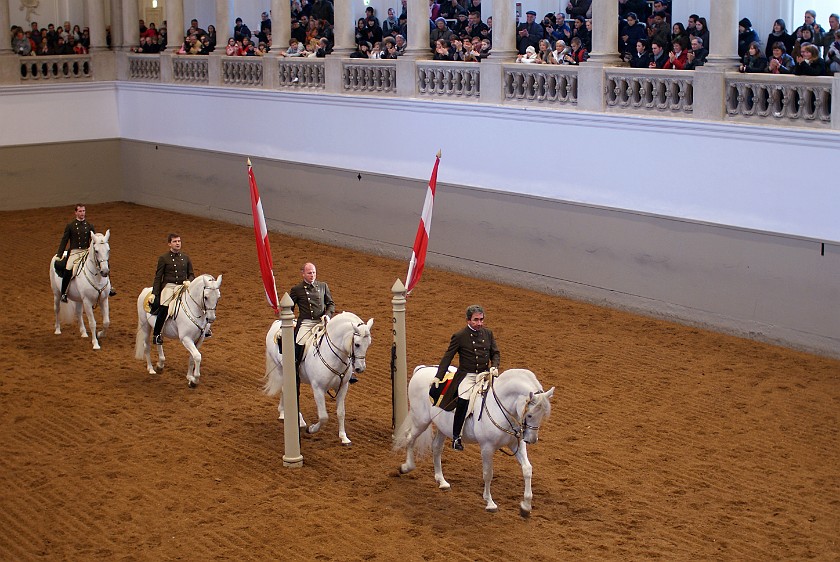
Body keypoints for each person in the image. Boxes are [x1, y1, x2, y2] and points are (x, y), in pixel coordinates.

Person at [432, 305, 500, 451]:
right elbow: (448, 356)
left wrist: (494, 366)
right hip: (467, 376)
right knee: (464, 400)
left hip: (484, 375)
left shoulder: (488, 333)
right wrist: (439, 376)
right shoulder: (460, 336)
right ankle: (456, 437)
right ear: (468, 320)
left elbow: (495, 353)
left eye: (481, 319)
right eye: (476, 320)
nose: (479, 323)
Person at [287, 263, 354, 385]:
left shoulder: (323, 286)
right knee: (299, 342)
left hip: (322, 321)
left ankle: (350, 370)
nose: (312, 275)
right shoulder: (297, 290)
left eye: (313, 272)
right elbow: (289, 308)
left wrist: (327, 315)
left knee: (340, 341)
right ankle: (295, 368)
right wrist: (290, 320)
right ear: (303, 274)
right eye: (309, 273)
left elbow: (331, 303)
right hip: (307, 323)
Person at [55, 204, 117, 302]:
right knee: (69, 269)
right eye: (80, 211)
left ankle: (109, 287)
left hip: (86, 251)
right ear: (76, 212)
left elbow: (94, 241)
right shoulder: (70, 226)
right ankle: (64, 293)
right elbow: (64, 240)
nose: (82, 213)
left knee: (103, 263)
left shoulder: (89, 226)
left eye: (83, 211)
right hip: (75, 253)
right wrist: (59, 254)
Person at [150, 233, 196, 344]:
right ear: (169, 244)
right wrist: (154, 293)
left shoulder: (185, 258)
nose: (177, 243)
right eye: (175, 241)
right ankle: (156, 335)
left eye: (179, 241)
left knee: (196, 302)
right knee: (165, 307)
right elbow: (158, 276)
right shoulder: (163, 258)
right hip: (169, 287)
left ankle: (204, 328)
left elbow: (191, 274)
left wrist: (188, 281)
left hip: (182, 286)